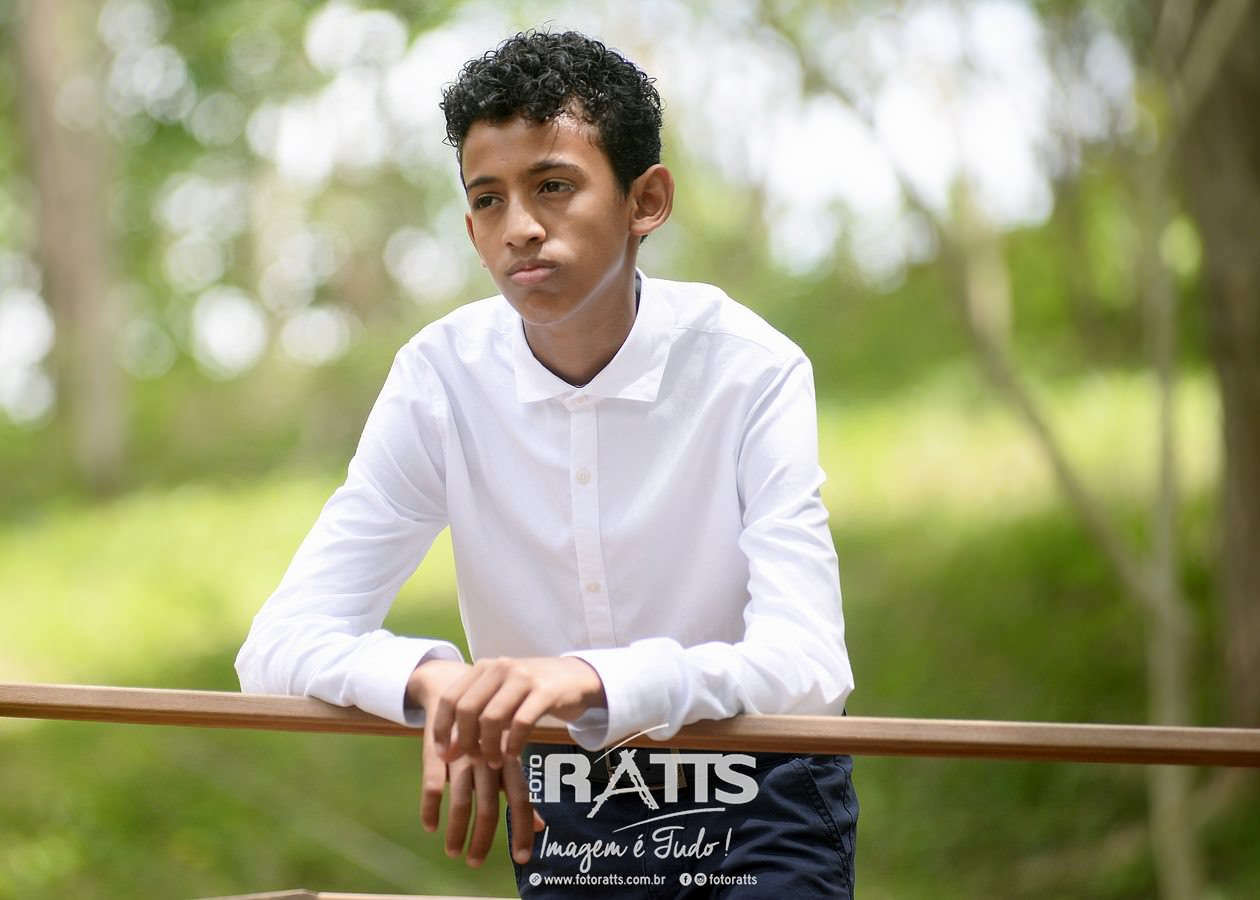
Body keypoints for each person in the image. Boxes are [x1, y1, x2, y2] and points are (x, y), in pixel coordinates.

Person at [236, 29, 857, 898]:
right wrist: (443, 685)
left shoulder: (753, 369)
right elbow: (276, 646)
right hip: (566, 799)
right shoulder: (439, 379)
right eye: (488, 201)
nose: (519, 229)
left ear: (646, 200)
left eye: (553, 186)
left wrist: (591, 680)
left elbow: (809, 669)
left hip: (757, 791)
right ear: (470, 229)